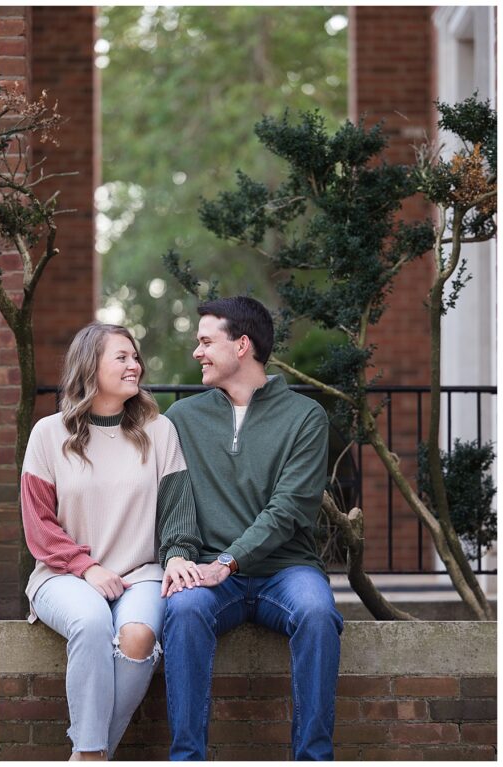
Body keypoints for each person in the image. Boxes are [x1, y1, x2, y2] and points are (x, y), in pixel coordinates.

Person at [161, 296, 343, 761]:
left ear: (242, 345)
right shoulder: (181, 419)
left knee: (319, 614)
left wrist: (230, 559)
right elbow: (173, 500)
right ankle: (186, 759)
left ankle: (313, 758)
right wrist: (178, 556)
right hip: (208, 572)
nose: (197, 352)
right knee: (182, 612)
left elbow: (289, 509)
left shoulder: (305, 418)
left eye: (206, 341)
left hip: (286, 570)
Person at [21, 323, 201, 761]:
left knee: (138, 636)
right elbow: (39, 524)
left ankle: (88, 755)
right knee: (91, 622)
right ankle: (91, 754)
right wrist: (87, 568)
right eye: (121, 357)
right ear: (90, 365)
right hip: (62, 573)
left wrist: (177, 555)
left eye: (135, 356)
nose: (134, 365)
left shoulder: (159, 431)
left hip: (141, 573)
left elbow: (177, 511)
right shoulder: (48, 433)